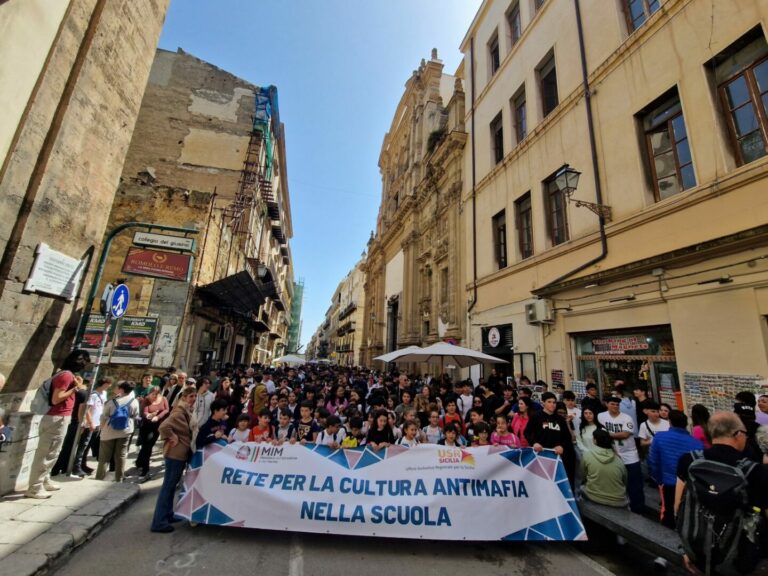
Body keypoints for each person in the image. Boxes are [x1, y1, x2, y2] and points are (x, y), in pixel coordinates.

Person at [675, 412, 768, 575]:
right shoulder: (754, 471)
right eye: (745, 434)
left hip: (699, 551)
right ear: (737, 434)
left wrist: (687, 549)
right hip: (740, 557)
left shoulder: (688, 460)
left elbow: (679, 506)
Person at [26, 350, 90, 499]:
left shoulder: (66, 375)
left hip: (60, 417)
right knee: (47, 453)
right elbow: (57, 398)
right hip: (56, 417)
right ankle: (35, 487)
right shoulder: (66, 376)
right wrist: (76, 388)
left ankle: (45, 480)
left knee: (53, 452)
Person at [151, 386, 197, 533]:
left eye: (195, 396)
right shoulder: (179, 411)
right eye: (190, 396)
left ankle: (168, 514)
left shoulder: (186, 411)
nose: (193, 399)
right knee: (168, 487)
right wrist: (172, 436)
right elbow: (164, 427)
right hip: (174, 454)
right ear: (183, 397)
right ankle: (159, 522)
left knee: (171, 486)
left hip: (180, 453)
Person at [647, 410, 703, 528]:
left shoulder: (659, 437)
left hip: (667, 482)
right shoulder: (697, 443)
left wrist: (659, 480)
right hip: (689, 484)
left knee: (668, 511)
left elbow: (653, 461)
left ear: (670, 422)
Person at [598, 396, 644, 513]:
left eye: (617, 405)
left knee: (635, 482)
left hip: (629, 454)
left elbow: (625, 434)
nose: (615, 406)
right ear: (606, 404)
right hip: (611, 453)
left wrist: (608, 435)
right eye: (612, 404)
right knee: (615, 481)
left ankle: (637, 508)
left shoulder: (626, 417)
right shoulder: (601, 416)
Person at [525, 392, 576, 488]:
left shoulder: (560, 419)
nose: (552, 404)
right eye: (549, 402)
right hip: (541, 455)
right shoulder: (536, 416)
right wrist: (534, 443)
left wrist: (562, 446)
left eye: (554, 402)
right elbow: (527, 432)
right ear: (543, 402)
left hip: (557, 457)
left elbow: (567, 437)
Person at [95, 381, 139, 482]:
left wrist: (101, 428)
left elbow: (104, 416)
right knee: (121, 455)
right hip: (125, 430)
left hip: (109, 431)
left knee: (104, 457)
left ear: (121, 389)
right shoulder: (134, 401)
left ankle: (99, 478)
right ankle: (119, 479)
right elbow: (136, 415)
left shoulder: (112, 401)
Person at [71, 377, 111, 477]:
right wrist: (90, 422)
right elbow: (87, 409)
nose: (110, 386)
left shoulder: (104, 394)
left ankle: (83, 465)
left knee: (88, 446)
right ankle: (76, 467)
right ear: (104, 383)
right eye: (109, 384)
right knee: (83, 446)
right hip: (90, 424)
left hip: (98, 423)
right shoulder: (92, 395)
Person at [580, 429, 628, 508]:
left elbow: (583, 476)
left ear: (595, 440)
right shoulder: (619, 460)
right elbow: (625, 480)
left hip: (592, 496)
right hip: (618, 500)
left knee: (581, 488)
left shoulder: (587, 456)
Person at [135, 385, 169, 477]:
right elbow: (144, 412)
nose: (154, 396)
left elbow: (166, 410)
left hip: (157, 426)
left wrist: (158, 416)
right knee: (147, 447)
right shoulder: (146, 400)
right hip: (146, 426)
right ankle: (145, 469)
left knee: (147, 446)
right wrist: (150, 415)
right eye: (153, 394)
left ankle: (139, 462)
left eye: (156, 394)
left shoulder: (163, 399)